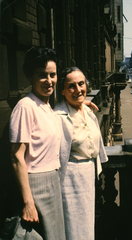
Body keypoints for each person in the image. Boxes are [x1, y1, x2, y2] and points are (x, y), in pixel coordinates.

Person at [9, 47, 66, 240]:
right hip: (36, 185)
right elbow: (17, 157)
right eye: (42, 76)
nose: (49, 81)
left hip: (53, 182)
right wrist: (28, 202)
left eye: (53, 74)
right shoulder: (25, 106)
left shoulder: (47, 106)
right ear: (30, 77)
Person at [54, 67, 108, 240]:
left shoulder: (87, 110)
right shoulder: (58, 117)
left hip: (88, 176)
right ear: (62, 90)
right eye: (71, 86)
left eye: (81, 84)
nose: (78, 90)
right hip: (70, 180)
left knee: (87, 227)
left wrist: (80, 103)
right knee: (74, 228)